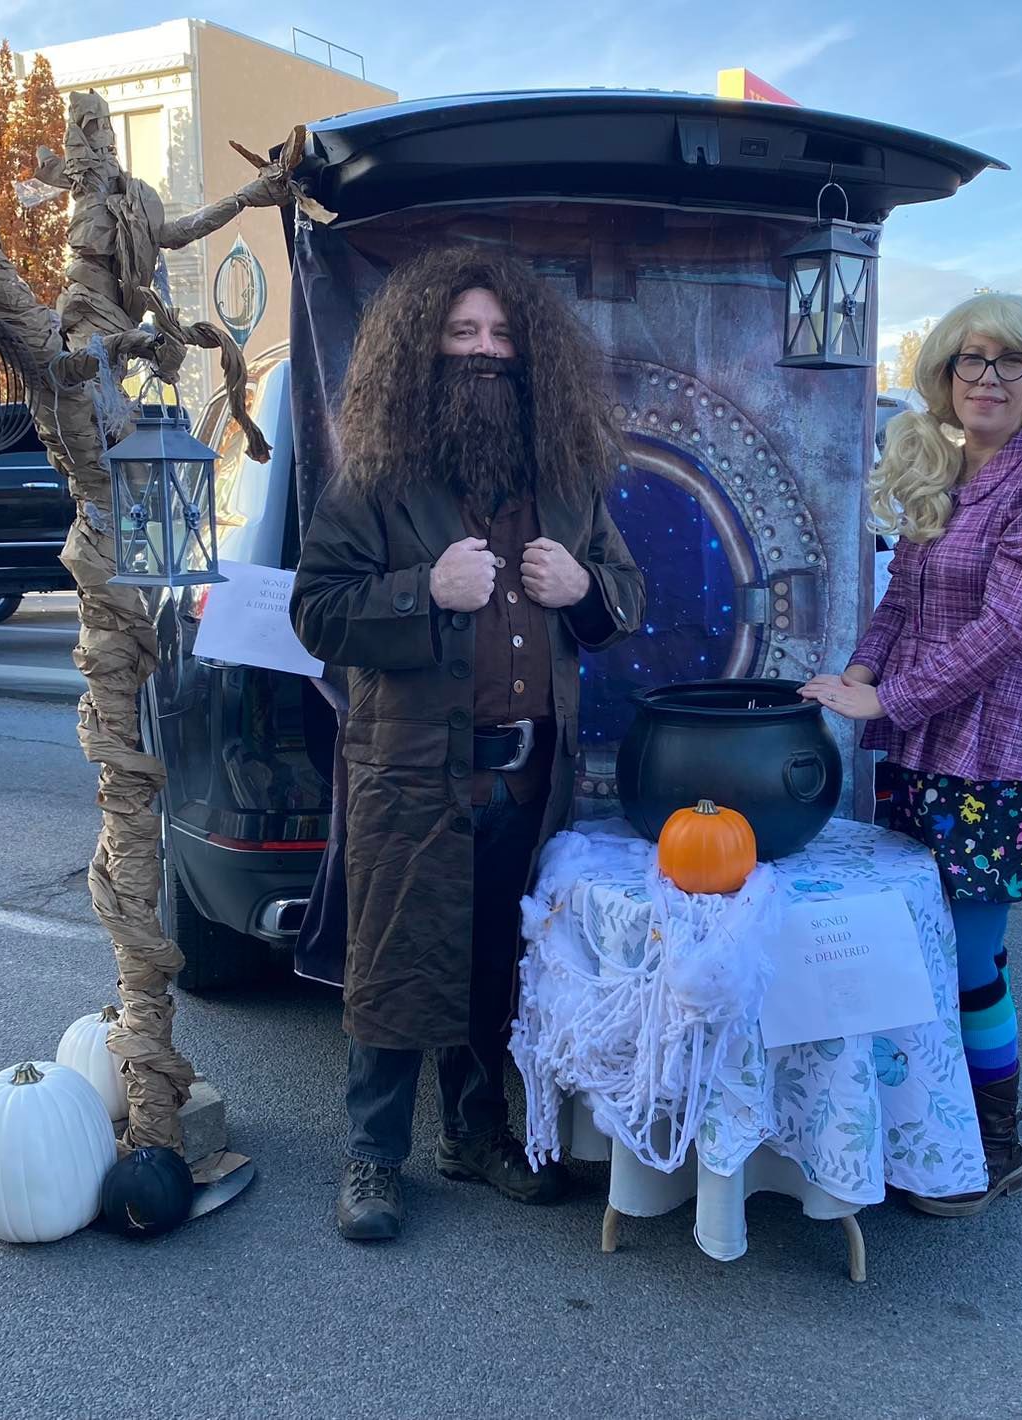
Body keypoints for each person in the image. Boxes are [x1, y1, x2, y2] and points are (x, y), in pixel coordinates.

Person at [291, 247, 645, 1243]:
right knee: (395, 963)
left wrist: (586, 589)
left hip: (531, 780)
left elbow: (627, 591)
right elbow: (317, 611)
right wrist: (424, 591)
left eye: (500, 334)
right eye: (462, 333)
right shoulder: (377, 478)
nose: (484, 351)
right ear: (424, 351)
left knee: (499, 967)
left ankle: (475, 1135)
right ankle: (373, 1156)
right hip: (410, 775)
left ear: (532, 356)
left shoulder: (566, 482)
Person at [800, 292, 1022, 1217]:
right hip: (927, 742)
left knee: (972, 955)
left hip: (1000, 747)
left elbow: (1008, 629)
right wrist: (857, 670)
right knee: (917, 943)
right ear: (944, 373)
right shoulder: (941, 467)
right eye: (972, 359)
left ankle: (996, 1143)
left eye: (1011, 362)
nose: (988, 378)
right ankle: (926, 1125)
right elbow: (903, 601)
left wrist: (888, 699)